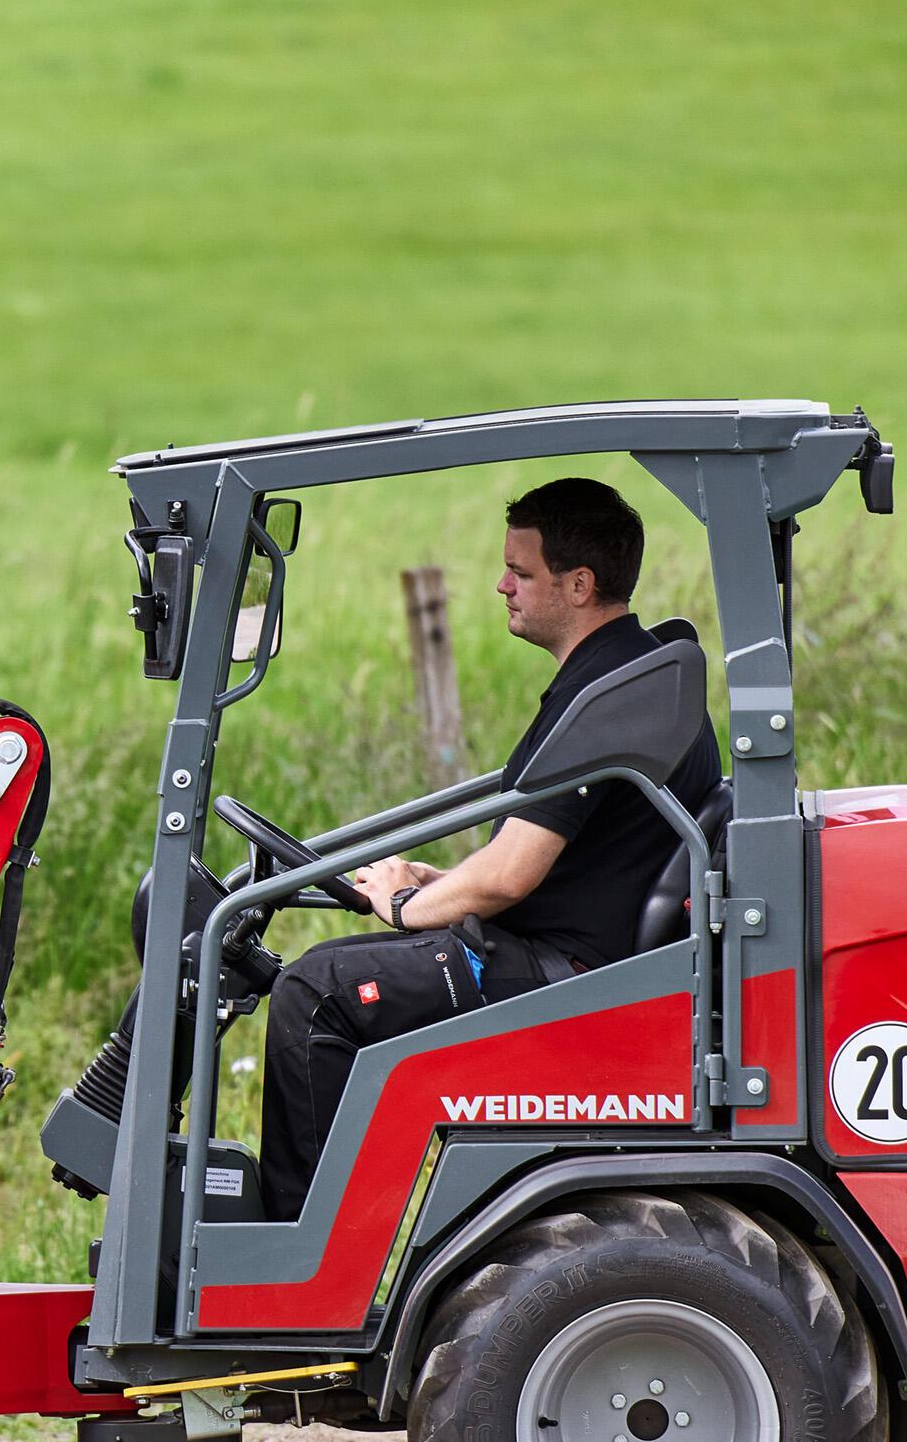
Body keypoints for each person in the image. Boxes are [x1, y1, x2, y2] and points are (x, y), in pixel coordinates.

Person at [251, 477, 722, 1219]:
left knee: (316, 993)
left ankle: (300, 1271)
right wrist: (441, 883)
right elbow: (556, 856)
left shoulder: (611, 697)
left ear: (578, 584)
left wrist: (409, 907)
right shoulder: (634, 676)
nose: (501, 585)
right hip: (575, 950)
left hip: (565, 974)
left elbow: (507, 877)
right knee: (333, 980)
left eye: (521, 572)